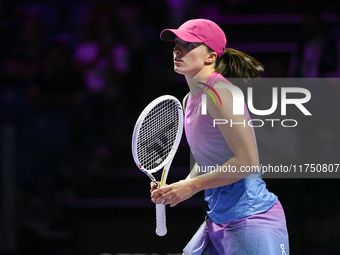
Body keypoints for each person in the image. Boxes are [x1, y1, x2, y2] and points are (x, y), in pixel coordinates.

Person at [150, 19, 289, 255]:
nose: (177, 49)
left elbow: (247, 162)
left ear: (210, 57)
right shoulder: (189, 100)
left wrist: (191, 187)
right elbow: (208, 162)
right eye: (177, 43)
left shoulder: (221, 93)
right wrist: (179, 186)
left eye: (188, 44)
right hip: (218, 218)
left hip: (251, 217)